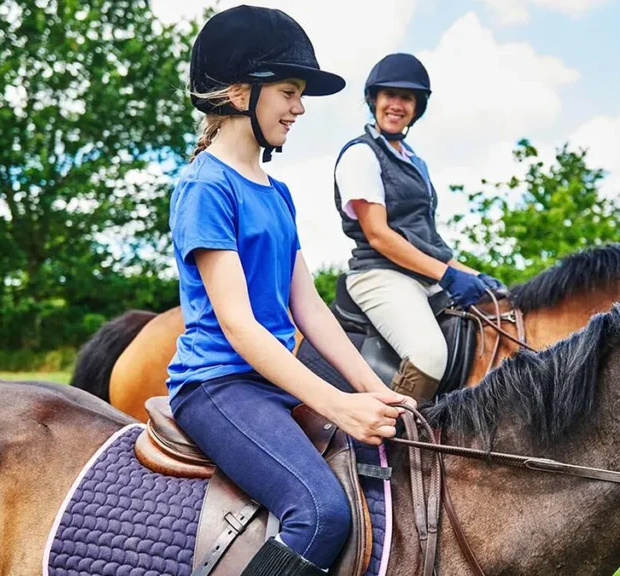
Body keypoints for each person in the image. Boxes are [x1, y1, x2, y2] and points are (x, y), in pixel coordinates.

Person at [167, 7, 414, 574]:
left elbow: (307, 305)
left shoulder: (277, 192)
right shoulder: (204, 185)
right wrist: (337, 406)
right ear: (237, 93)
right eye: (288, 92)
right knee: (322, 512)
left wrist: (371, 388)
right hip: (218, 385)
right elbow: (239, 324)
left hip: (271, 379)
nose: (300, 108)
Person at [334, 53, 506, 402]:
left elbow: (427, 240)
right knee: (428, 354)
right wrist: (446, 276)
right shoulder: (360, 155)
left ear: (417, 106)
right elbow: (379, 235)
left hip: (419, 276)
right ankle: (391, 445)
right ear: (374, 100)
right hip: (379, 274)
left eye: (406, 97)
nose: (396, 105)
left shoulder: (415, 161)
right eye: (389, 96)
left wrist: (473, 275)